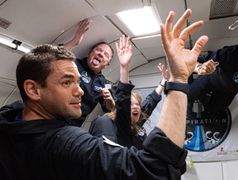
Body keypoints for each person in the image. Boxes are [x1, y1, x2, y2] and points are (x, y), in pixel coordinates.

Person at [0, 8, 208, 180]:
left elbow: (119, 110)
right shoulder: (68, 144)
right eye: (67, 82)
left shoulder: (10, 116)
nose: (79, 90)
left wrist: (111, 98)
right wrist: (179, 79)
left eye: (78, 82)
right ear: (33, 90)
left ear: (108, 64)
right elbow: (154, 172)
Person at [63, 19, 131, 126]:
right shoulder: (74, 64)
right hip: (56, 116)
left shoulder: (104, 83)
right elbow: (52, 56)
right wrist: (75, 41)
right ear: (90, 52)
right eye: (98, 50)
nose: (100, 54)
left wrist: (109, 101)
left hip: (73, 126)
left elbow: (111, 110)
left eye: (106, 55)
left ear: (107, 64)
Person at [89, 63, 169, 149]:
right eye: (130, 104)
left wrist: (163, 82)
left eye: (137, 104)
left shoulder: (137, 123)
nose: (135, 107)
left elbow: (151, 101)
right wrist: (124, 67)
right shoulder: (107, 124)